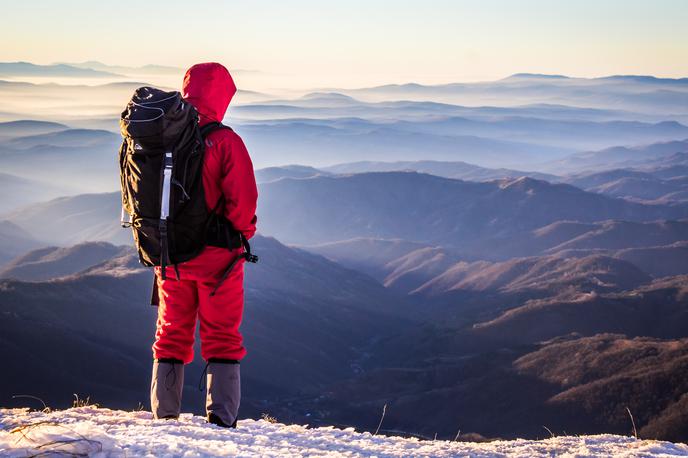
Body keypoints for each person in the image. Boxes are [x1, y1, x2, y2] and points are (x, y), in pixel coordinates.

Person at [149, 62, 258, 428]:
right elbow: (242, 206)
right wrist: (240, 237)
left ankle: (164, 417)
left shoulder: (161, 134)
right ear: (222, 96)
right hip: (217, 262)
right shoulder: (225, 141)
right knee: (223, 337)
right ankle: (222, 420)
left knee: (170, 335)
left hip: (170, 256)